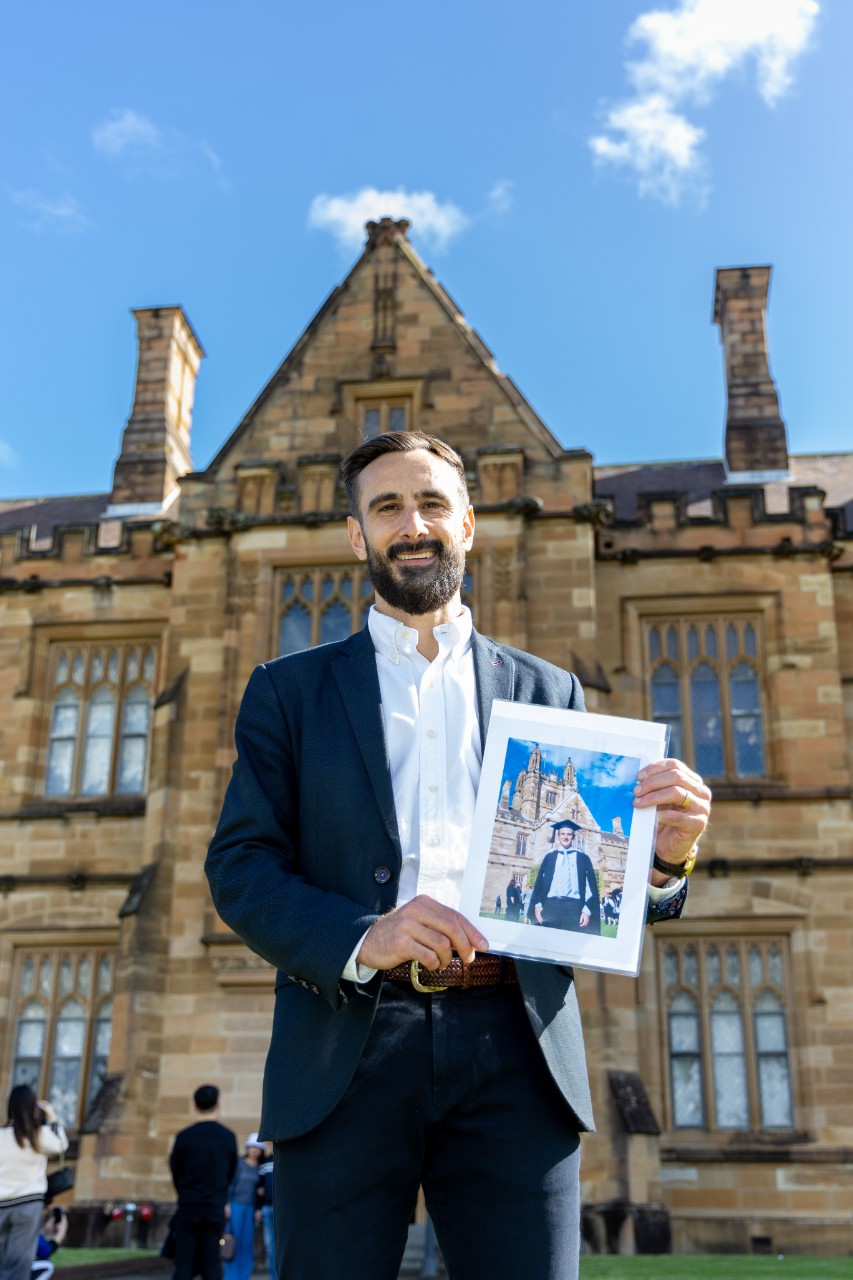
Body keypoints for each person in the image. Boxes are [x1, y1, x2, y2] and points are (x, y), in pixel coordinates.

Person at [205, 431, 711, 1280]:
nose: (413, 524)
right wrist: (364, 935)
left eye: (432, 503)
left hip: (516, 1044)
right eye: (387, 507)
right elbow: (241, 868)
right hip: (344, 1042)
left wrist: (664, 861)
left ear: (467, 523)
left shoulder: (552, 694)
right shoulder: (287, 692)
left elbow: (600, 897)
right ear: (355, 536)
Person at [168, 1084, 238, 1280]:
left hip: (189, 1206)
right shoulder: (227, 1137)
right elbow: (231, 1172)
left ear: (195, 1106)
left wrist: (184, 1193)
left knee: (183, 1264)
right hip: (214, 1207)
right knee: (212, 1264)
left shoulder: (184, 1137)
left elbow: (175, 1170)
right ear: (217, 1104)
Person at [0, 1087, 67, 1280]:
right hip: (28, 1205)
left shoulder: (1, 1136)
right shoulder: (38, 1134)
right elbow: (61, 1145)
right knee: (20, 1262)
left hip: (2, 1204)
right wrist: (52, 1116)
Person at [528, 819, 601, 935]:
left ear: (573, 836)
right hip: (550, 906)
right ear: (558, 835)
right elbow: (540, 884)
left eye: (569, 834)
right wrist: (537, 904)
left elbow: (589, 887)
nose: (565, 837)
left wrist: (587, 910)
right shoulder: (550, 857)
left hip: (575, 908)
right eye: (563, 834)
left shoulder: (583, 858)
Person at [224, 1136, 262, 1280]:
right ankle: (231, 1276)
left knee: (247, 1244)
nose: (254, 1150)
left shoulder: (260, 1167)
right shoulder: (239, 1163)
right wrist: (226, 1204)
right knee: (232, 1242)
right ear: (247, 1148)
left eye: (257, 1148)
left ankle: (244, 1276)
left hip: (250, 1208)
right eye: (252, 1147)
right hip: (236, 1206)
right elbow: (229, 1184)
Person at [31, 1206, 67, 1280]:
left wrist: (45, 1230)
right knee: (47, 1265)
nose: (43, 1212)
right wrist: (61, 1233)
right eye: (44, 1208)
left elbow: (33, 1241)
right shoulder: (28, 1221)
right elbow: (45, 1252)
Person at [256, 1143, 276, 1280]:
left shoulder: (289, 1159)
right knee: (270, 1245)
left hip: (283, 1210)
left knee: (282, 1244)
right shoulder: (265, 1162)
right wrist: (258, 1207)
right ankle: (273, 1277)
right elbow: (258, 1186)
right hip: (267, 1207)